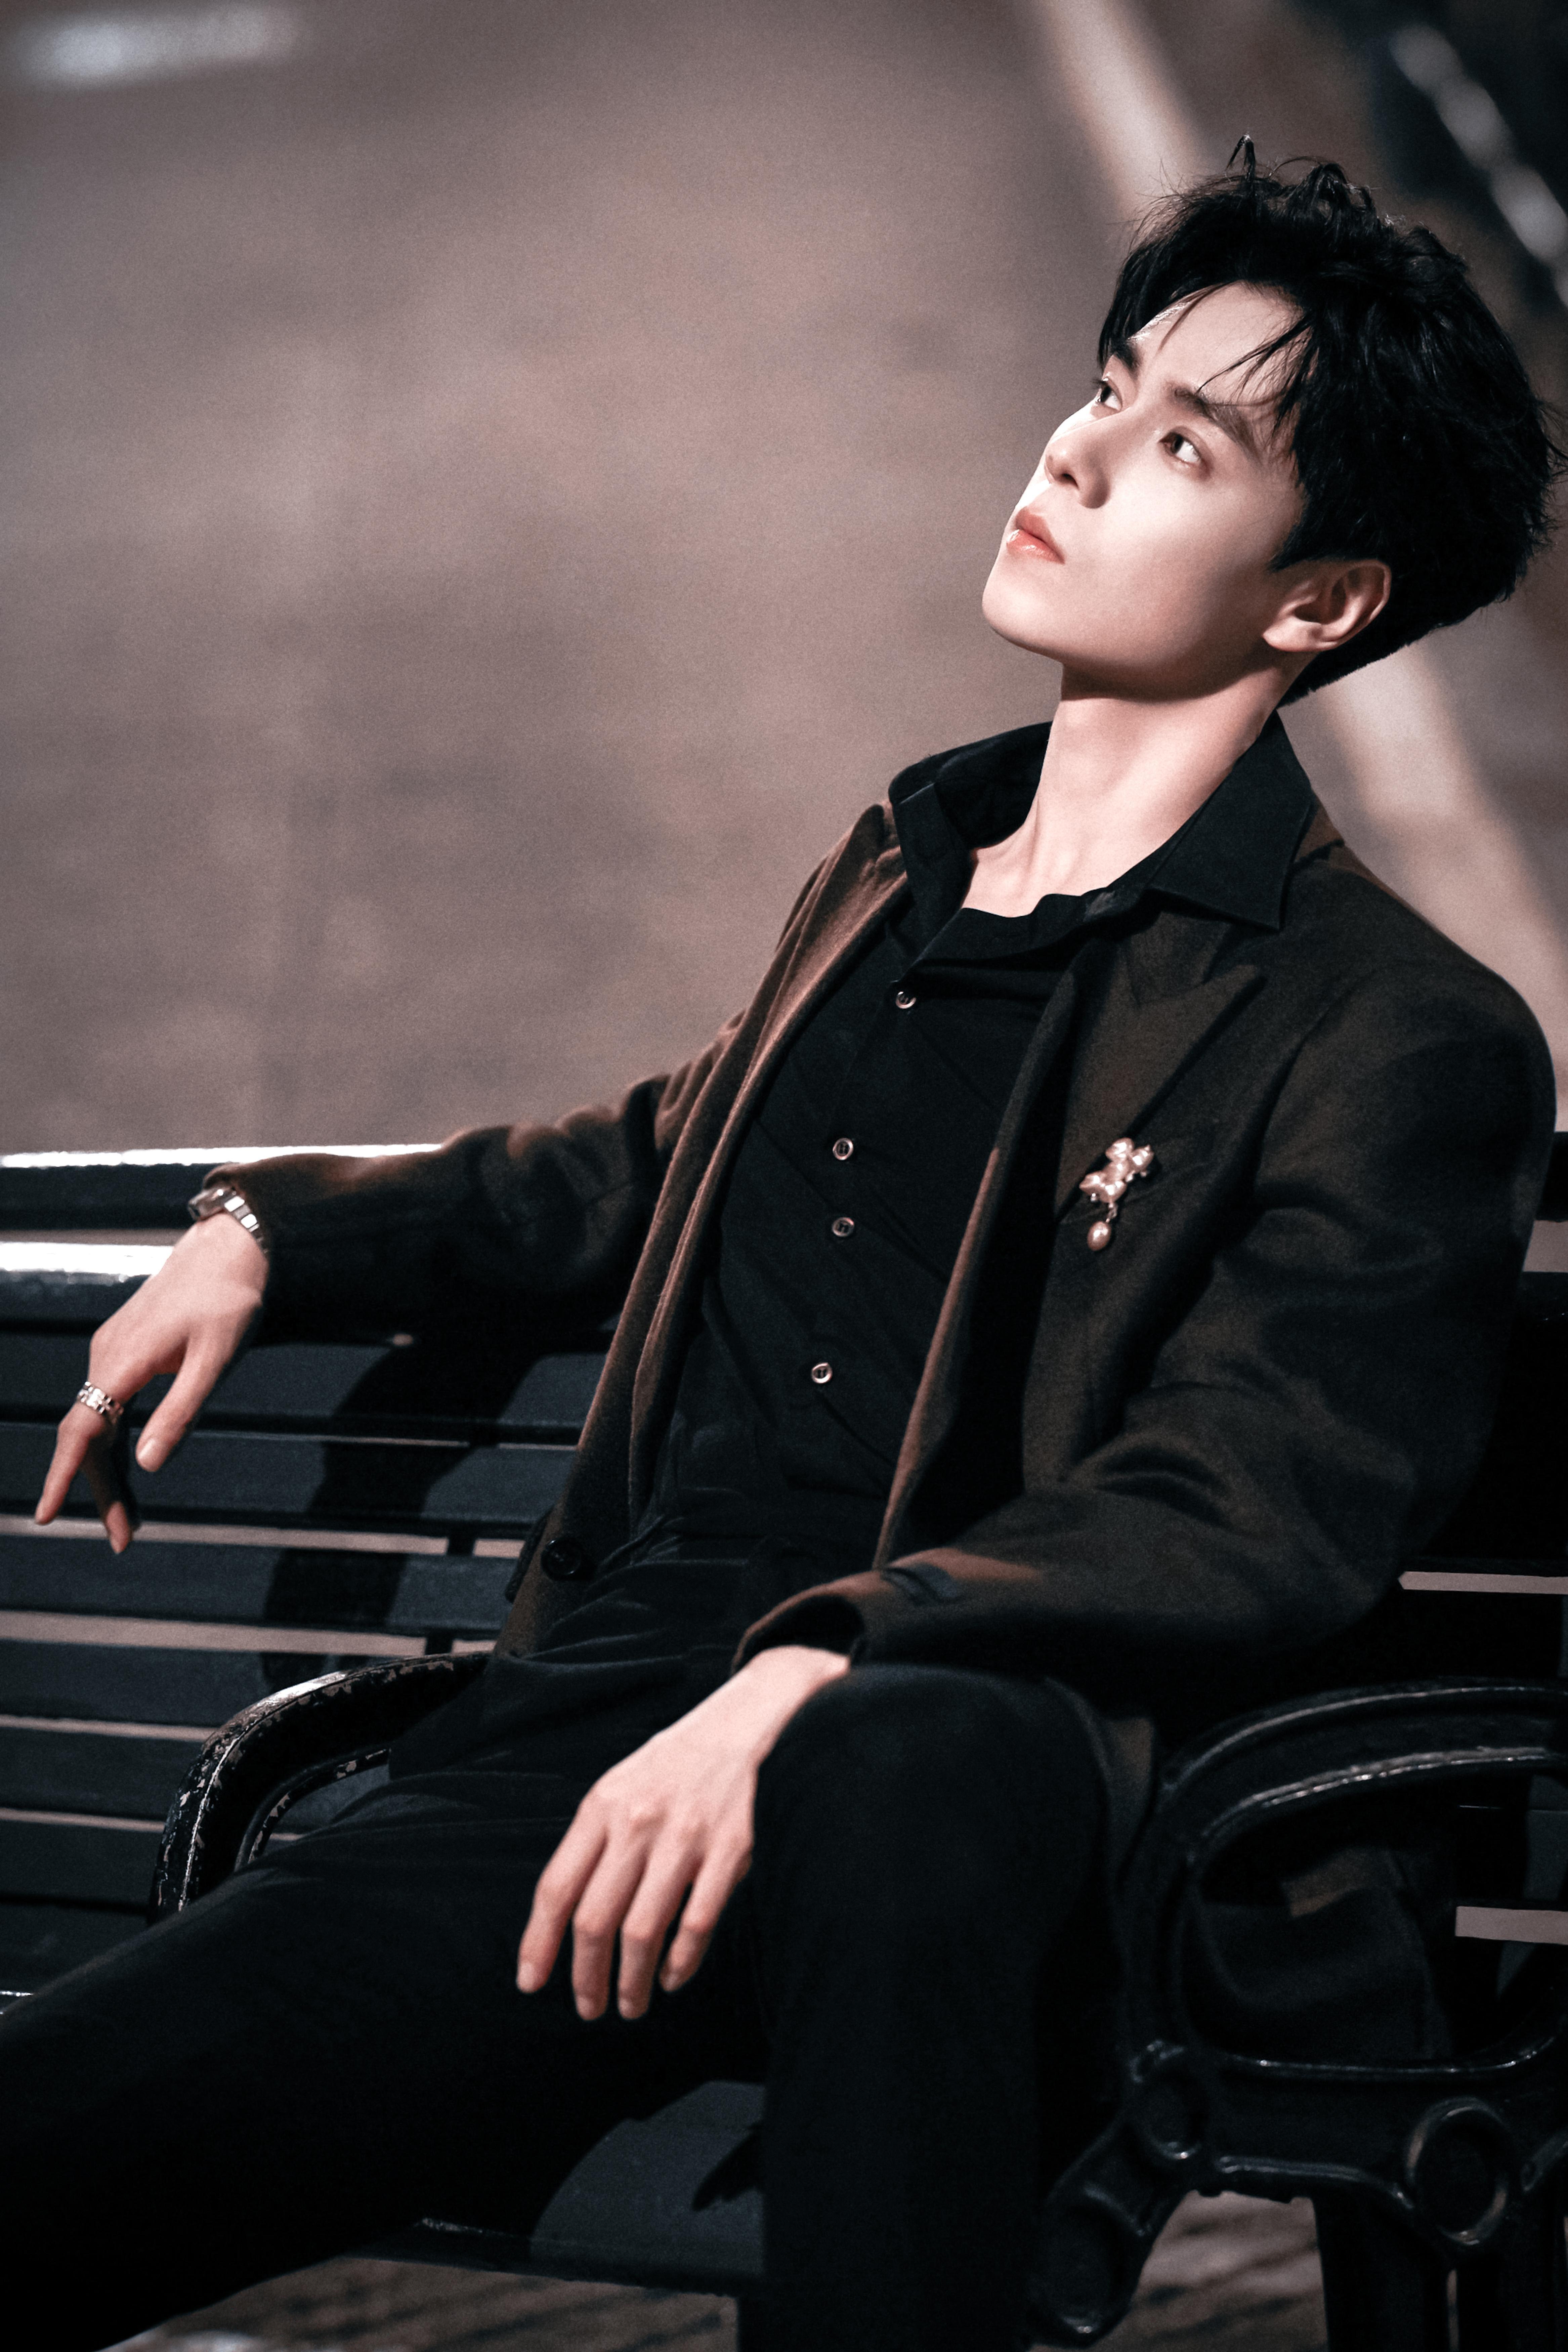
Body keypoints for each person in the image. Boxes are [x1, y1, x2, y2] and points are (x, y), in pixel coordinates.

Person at [6, 155, 1562, 2352]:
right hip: (601, 1762)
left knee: (900, 1768)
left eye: (1184, 446)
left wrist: (826, 1655)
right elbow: (647, 1156)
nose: (1076, 451)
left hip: (993, 1799)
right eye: (1106, 388)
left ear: (1319, 602)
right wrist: (269, 1227)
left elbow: (1251, 1496)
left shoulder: (1390, 1029)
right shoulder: (905, 869)